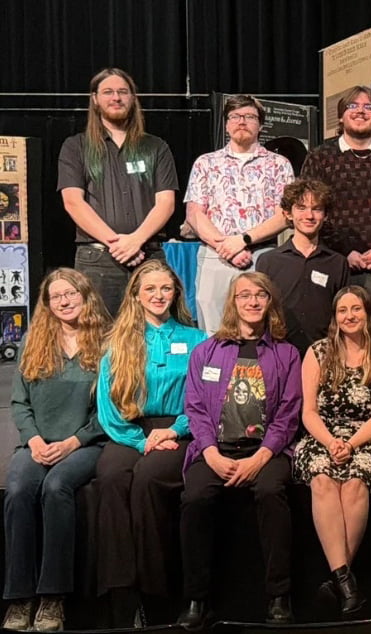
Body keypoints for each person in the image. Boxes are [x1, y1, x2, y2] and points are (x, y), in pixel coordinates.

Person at [177, 272, 301, 628]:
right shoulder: (207, 351)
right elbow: (196, 408)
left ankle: (279, 596)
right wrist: (211, 454)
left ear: (269, 302)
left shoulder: (286, 353)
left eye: (260, 295)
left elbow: (289, 412)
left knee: (270, 490)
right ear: (232, 302)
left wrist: (261, 457)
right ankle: (197, 599)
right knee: (196, 497)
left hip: (266, 452)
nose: (252, 302)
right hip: (216, 450)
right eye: (244, 295)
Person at [94, 260, 207, 626]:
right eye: (150, 290)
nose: (158, 295)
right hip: (129, 430)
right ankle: (122, 595)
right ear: (137, 296)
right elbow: (108, 406)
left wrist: (176, 429)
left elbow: (204, 397)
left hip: (178, 428)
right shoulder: (118, 340)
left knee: (147, 481)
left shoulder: (196, 340)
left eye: (165, 289)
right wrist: (139, 441)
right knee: (111, 477)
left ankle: (156, 593)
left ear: (176, 293)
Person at [4, 270, 110, 632]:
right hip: (36, 443)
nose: (64, 301)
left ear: (85, 295)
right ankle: (19, 598)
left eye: (71, 294)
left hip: (85, 443)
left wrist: (74, 442)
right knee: (18, 490)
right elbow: (19, 403)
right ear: (47, 304)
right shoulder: (33, 341)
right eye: (56, 297)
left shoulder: (107, 343)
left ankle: (53, 597)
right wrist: (33, 439)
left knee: (56, 487)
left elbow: (110, 410)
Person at [294, 286, 371, 615]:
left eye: (356, 309)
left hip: (369, 438)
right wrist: (330, 442)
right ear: (335, 317)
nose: (349, 316)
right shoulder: (318, 352)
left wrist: (351, 444)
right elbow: (308, 411)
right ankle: (346, 581)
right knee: (322, 479)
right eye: (343, 310)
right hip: (322, 434)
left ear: (368, 314)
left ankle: (336, 578)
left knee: (354, 482)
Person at [301, 86, 371, 349]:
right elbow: (311, 210)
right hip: (334, 266)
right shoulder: (320, 158)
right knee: (334, 345)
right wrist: (344, 252)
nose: (361, 111)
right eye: (353, 106)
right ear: (341, 116)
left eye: (368, 107)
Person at [58, 68, 178, 315]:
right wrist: (118, 245)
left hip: (149, 256)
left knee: (153, 334)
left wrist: (135, 241)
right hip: (98, 260)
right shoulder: (76, 146)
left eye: (123, 92)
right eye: (108, 92)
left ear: (133, 98)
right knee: (100, 338)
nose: (116, 98)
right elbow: (73, 202)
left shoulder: (156, 147)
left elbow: (166, 202)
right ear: (95, 99)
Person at [185, 94, 293, 334]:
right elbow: (194, 212)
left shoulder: (279, 164)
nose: (242, 121)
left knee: (262, 327)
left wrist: (242, 240)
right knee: (213, 330)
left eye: (249, 117)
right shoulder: (206, 163)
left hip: (262, 255)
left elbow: (285, 215)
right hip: (215, 256)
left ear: (261, 125)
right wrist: (226, 246)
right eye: (235, 116)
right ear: (226, 124)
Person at [255, 178, 349, 354]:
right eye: (301, 208)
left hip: (325, 354)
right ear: (288, 213)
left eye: (317, 209)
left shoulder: (337, 263)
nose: (309, 216)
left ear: (325, 215)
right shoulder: (268, 261)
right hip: (278, 353)